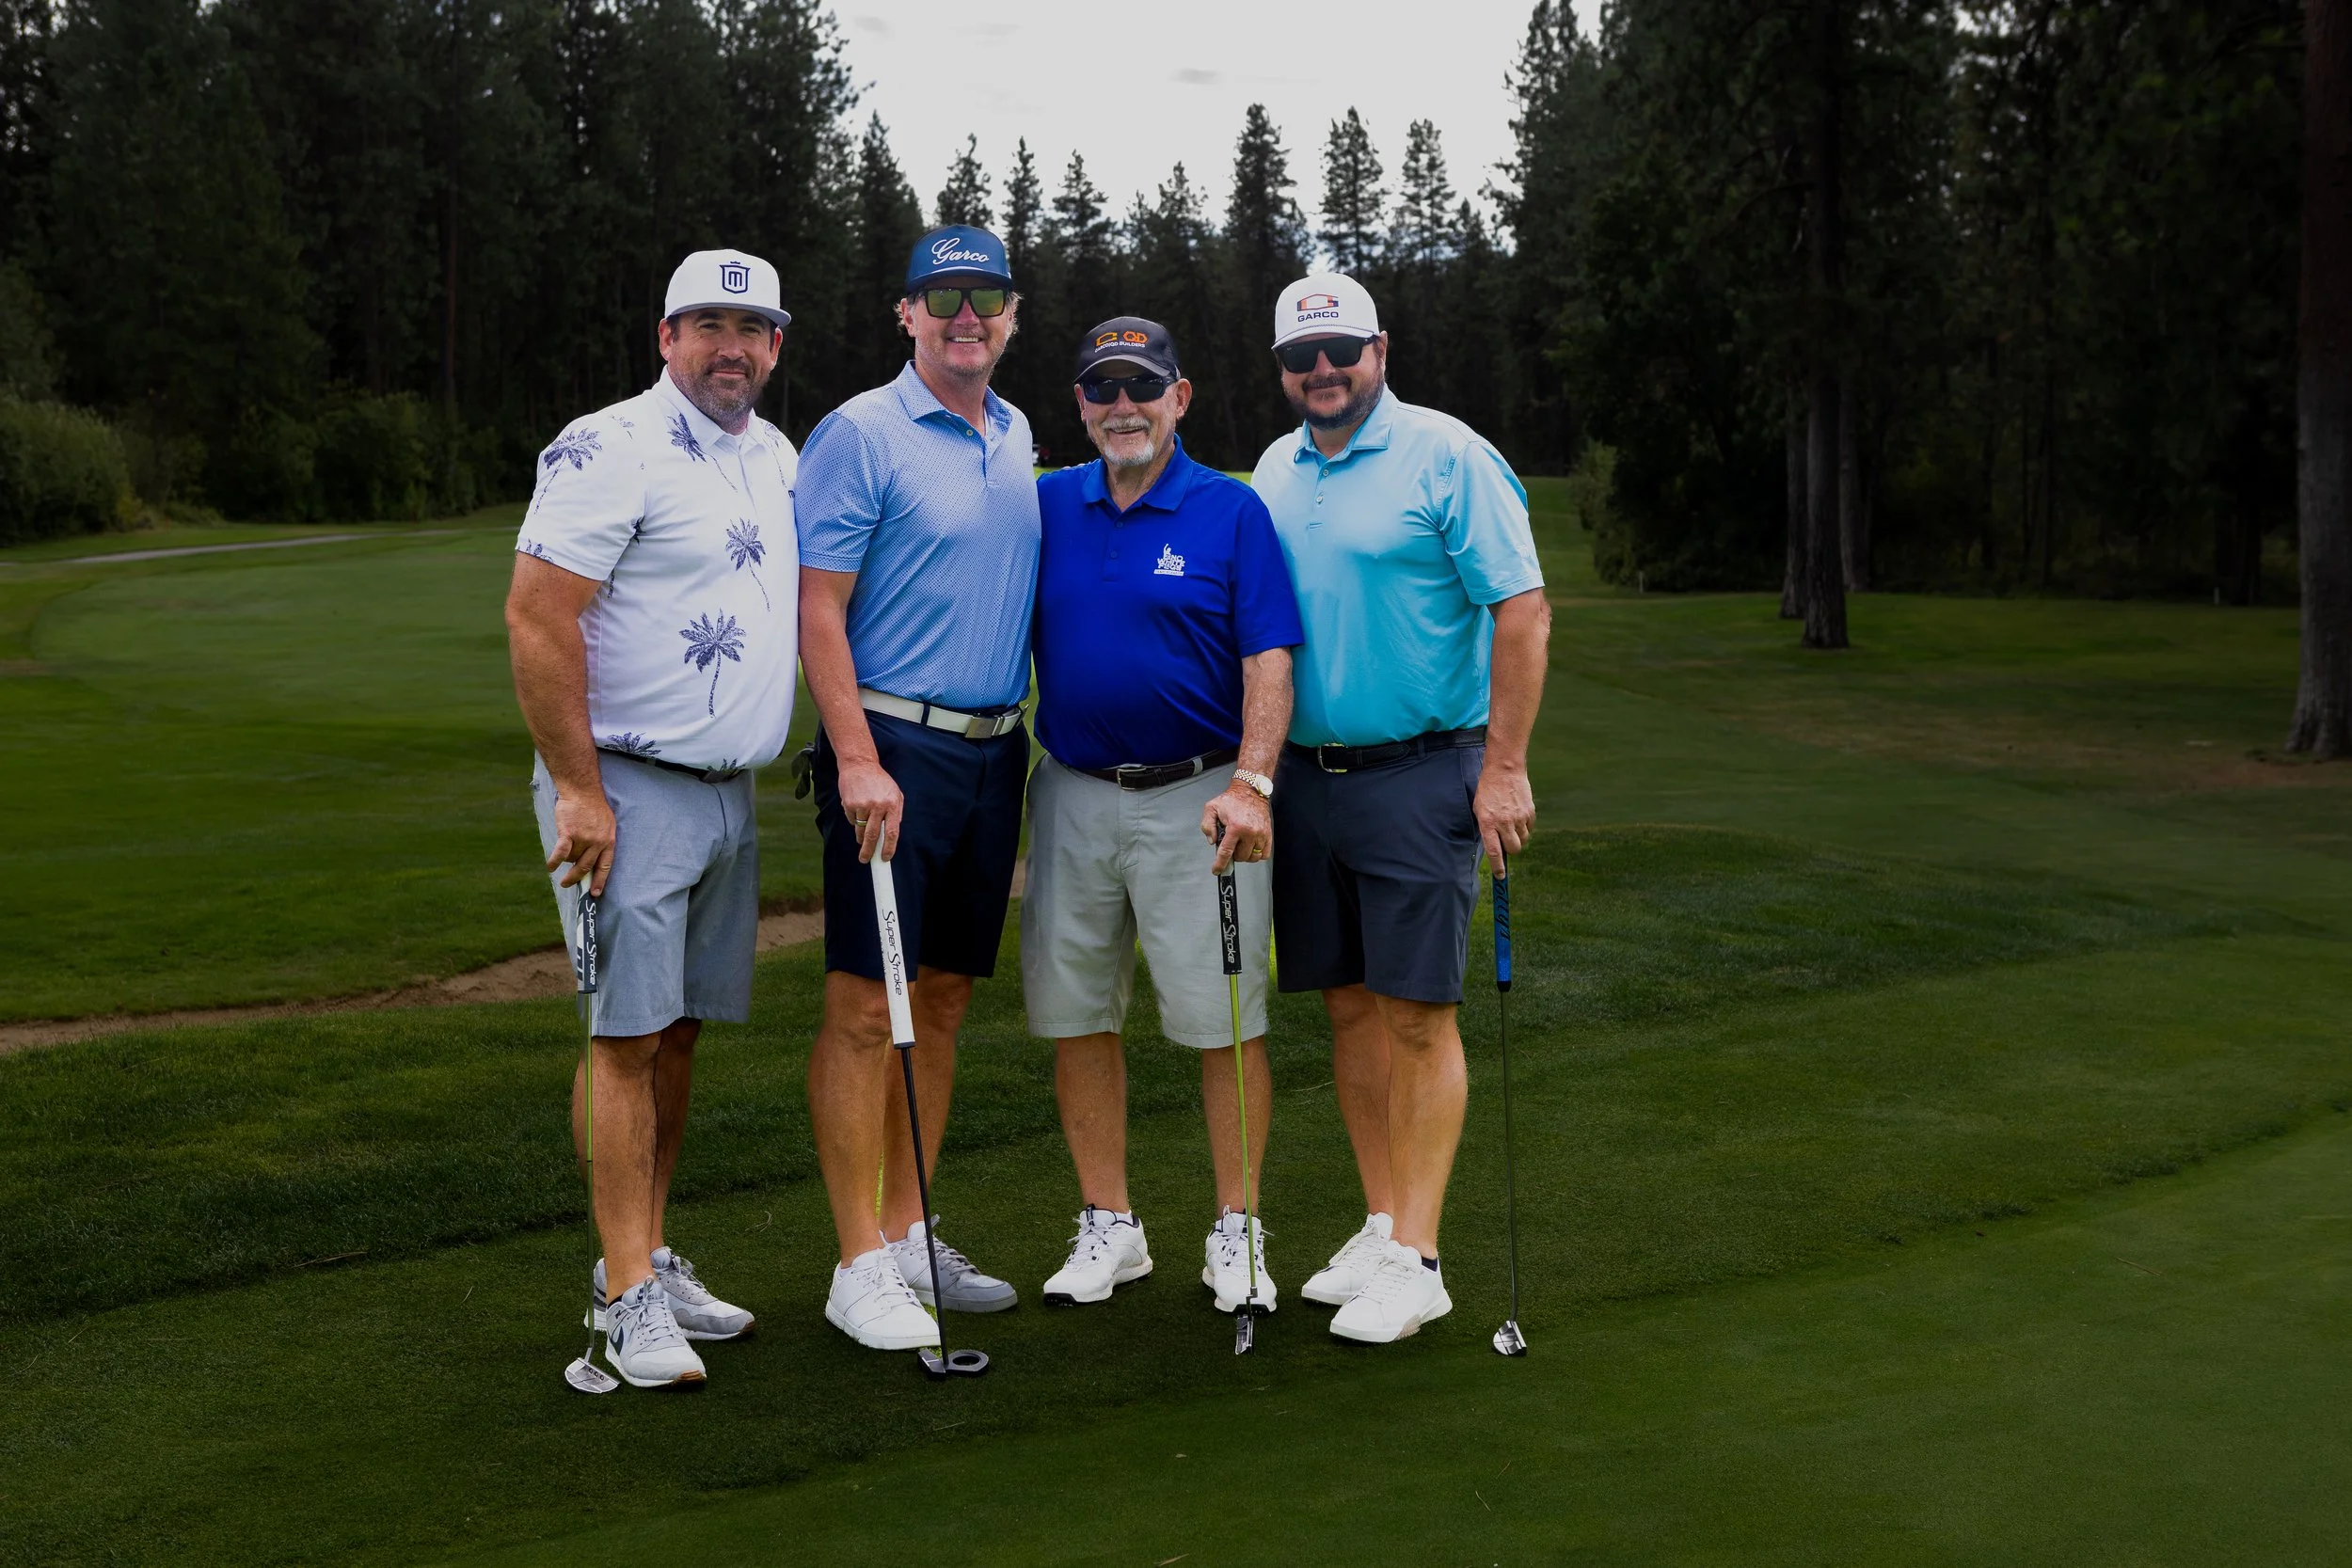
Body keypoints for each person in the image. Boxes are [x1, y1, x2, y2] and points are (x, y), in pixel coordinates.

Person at [505, 250, 799, 1389]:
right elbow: (538, 617)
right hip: (621, 785)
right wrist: (578, 789)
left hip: (726, 793)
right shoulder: (607, 442)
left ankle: (651, 1254)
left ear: (778, 344)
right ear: (664, 334)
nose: (731, 345)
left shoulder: (775, 454)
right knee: (625, 1036)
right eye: (708, 322)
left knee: (677, 1031)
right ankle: (623, 1289)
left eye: (753, 325)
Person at [1249, 272, 1550, 1344]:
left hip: (1423, 770)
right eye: (1301, 358)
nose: (1322, 372)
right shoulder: (1277, 468)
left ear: (1380, 347)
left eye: (1341, 352)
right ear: (1281, 368)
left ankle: (1420, 1255)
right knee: (1345, 1004)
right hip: (1308, 780)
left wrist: (1502, 767)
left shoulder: (1448, 453)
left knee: (1418, 1013)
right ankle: (1382, 1223)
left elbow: (1520, 607)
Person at [793, 225, 1040, 1352]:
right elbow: (819, 607)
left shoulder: (1017, 430)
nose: (963, 317)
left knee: (939, 997)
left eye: (982, 297)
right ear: (905, 314)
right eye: (940, 299)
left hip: (997, 752)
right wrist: (853, 757)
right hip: (894, 749)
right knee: (860, 1004)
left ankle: (908, 1228)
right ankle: (857, 1260)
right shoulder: (861, 431)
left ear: (1009, 311)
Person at [1025, 317, 1300, 1313]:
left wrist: (1254, 781)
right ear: (1079, 408)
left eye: (1141, 385)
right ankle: (1110, 1222)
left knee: (1222, 1017)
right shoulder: (1048, 503)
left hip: (1203, 796)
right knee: (1076, 1016)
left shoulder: (1229, 510)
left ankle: (1237, 1228)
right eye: (1101, 389)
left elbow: (1267, 652)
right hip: (1072, 792)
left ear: (1179, 396)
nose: (1121, 405)